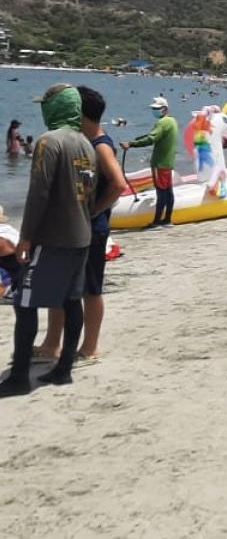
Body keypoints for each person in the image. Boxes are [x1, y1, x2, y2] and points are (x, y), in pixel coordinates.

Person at [0, 85, 97, 397]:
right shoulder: (86, 143)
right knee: (71, 300)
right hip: (81, 236)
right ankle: (64, 368)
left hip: (53, 238)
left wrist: (26, 236)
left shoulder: (48, 141)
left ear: (55, 108)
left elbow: (39, 192)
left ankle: (18, 377)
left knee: (24, 303)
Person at [34, 86, 126, 366]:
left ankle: (89, 348)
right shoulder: (87, 143)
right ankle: (52, 344)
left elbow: (118, 184)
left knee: (90, 289)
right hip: (76, 230)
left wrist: (94, 211)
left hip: (90, 230)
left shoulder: (100, 145)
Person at [121, 97, 179, 228]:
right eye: (153, 109)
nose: (154, 111)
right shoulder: (173, 121)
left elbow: (152, 139)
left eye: (157, 109)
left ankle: (157, 221)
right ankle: (167, 219)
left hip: (159, 163)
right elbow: (156, 137)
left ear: (165, 109)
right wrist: (139, 139)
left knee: (161, 192)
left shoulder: (162, 123)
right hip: (168, 162)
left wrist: (131, 144)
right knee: (168, 191)